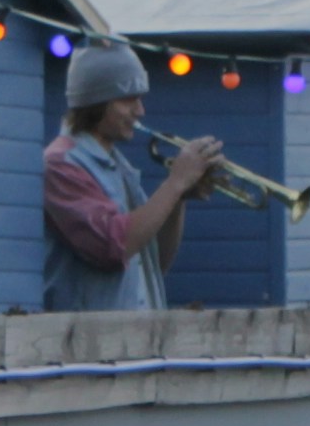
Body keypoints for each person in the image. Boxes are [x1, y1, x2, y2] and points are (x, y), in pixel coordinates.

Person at [44, 42, 220, 312]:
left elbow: (153, 262)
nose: (140, 111)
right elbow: (114, 247)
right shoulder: (60, 165)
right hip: (88, 337)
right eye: (128, 99)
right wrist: (175, 183)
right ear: (96, 103)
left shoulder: (118, 165)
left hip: (137, 333)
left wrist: (179, 198)